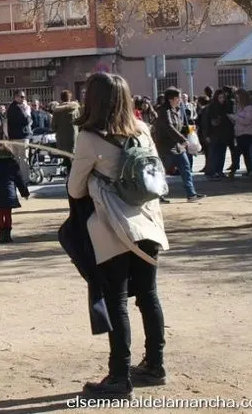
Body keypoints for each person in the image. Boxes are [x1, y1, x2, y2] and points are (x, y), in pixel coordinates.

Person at [67, 73, 169, 399]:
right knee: (149, 296)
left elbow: (75, 188)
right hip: (149, 223)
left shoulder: (88, 138)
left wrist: (94, 176)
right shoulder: (143, 129)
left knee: (116, 301)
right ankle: (155, 364)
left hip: (114, 229)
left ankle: (119, 376)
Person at [155, 88, 205, 203]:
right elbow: (169, 127)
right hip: (167, 147)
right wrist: (183, 139)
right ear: (170, 99)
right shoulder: (164, 111)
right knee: (162, 172)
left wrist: (189, 129)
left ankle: (191, 194)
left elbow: (177, 127)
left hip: (178, 147)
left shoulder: (175, 110)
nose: (180, 100)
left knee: (186, 168)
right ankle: (158, 195)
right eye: (178, 97)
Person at [228, 89, 252, 177]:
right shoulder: (239, 108)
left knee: (238, 152)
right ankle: (250, 170)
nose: (237, 100)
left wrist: (235, 117)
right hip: (239, 133)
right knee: (246, 153)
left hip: (247, 133)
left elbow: (247, 121)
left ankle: (234, 169)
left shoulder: (250, 108)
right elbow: (237, 121)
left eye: (238, 98)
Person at [5, 90, 32, 181]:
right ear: (16, 97)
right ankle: (25, 179)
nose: (23, 99)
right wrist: (27, 110)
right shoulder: (19, 108)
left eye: (24, 97)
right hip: (22, 136)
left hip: (13, 137)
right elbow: (26, 120)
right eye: (21, 97)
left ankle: (15, 178)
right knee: (24, 158)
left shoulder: (11, 107)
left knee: (16, 158)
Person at [52, 90, 81, 171]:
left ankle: (68, 172)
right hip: (73, 137)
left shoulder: (57, 111)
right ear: (70, 98)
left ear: (61, 98)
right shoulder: (75, 109)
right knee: (73, 157)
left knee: (65, 157)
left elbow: (53, 126)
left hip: (61, 138)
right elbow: (80, 122)